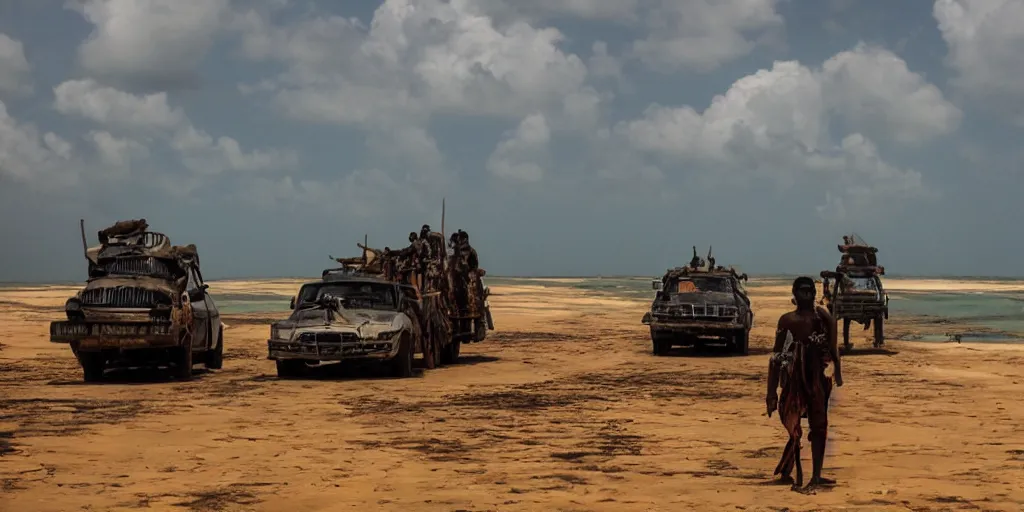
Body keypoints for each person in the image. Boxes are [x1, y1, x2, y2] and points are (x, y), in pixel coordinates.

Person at [766, 276, 843, 491]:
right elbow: (776, 356)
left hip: (817, 380)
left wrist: (836, 372)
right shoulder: (787, 320)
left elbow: (833, 347)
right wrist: (771, 392)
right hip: (793, 380)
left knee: (819, 426)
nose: (806, 295)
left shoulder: (822, 318)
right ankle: (797, 472)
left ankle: (816, 475)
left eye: (809, 291)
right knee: (794, 425)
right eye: (801, 291)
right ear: (794, 294)